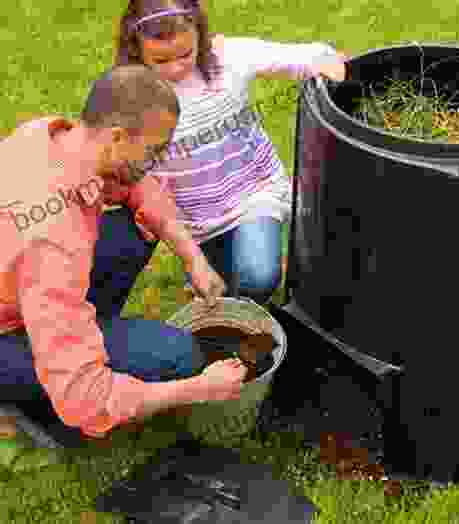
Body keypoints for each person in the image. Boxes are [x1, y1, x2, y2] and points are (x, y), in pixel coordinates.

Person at [0, 64, 247, 452]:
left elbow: (140, 185)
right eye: (154, 151)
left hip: (20, 283)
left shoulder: (53, 137)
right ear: (116, 137)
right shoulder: (54, 239)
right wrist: (199, 389)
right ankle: (33, 395)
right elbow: (87, 400)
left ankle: (82, 337)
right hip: (11, 325)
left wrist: (192, 255)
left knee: (137, 230)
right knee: (178, 355)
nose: (158, 163)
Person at [114, 0, 350, 305]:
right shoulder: (130, 92)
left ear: (200, 34)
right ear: (136, 50)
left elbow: (289, 56)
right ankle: (221, 275)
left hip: (251, 193)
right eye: (161, 60)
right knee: (220, 278)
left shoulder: (227, 57)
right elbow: (119, 155)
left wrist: (324, 60)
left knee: (256, 278)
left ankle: (246, 296)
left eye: (186, 54)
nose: (176, 68)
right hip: (192, 216)